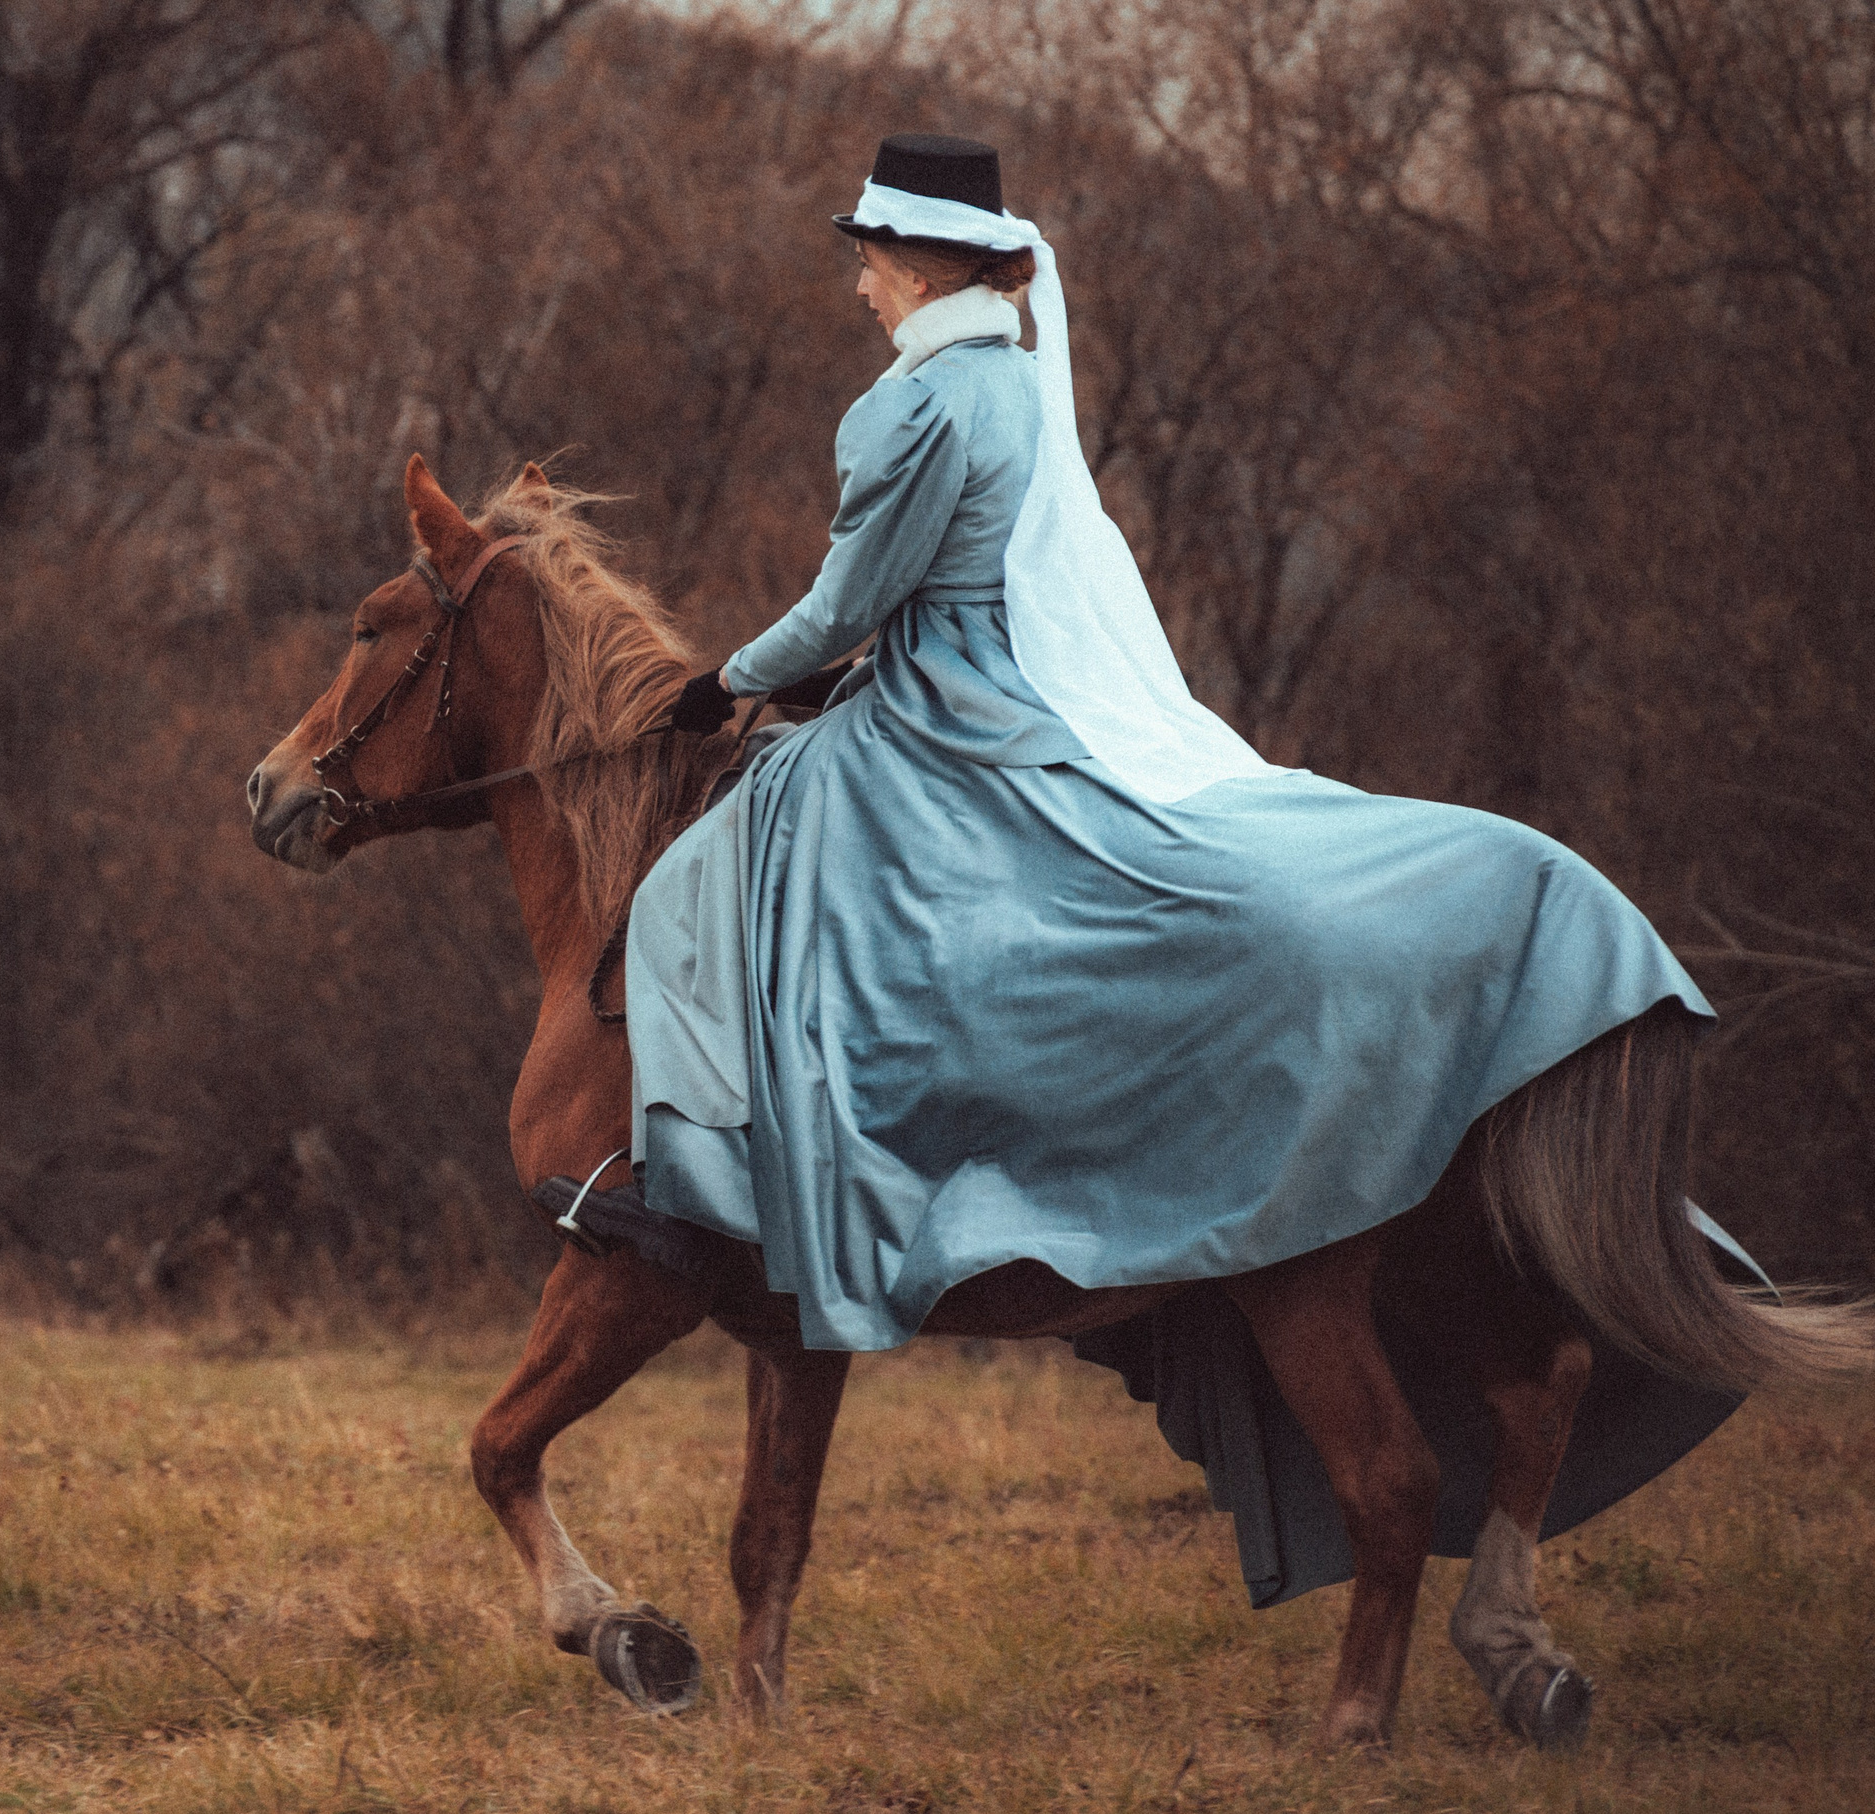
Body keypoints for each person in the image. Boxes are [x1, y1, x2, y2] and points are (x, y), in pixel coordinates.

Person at [624, 132, 1710, 1355]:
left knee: (700, 883)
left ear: (923, 265)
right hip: (1002, 673)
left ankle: (715, 1208)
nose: (858, 281)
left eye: (868, 255)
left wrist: (727, 681)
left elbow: (845, 603)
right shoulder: (1015, 385)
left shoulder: (914, 405)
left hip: (948, 707)